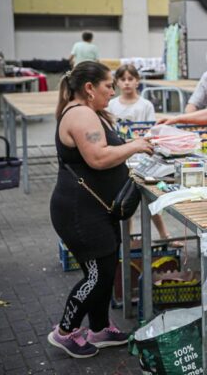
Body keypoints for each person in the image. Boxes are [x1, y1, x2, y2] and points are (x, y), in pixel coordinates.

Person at [49, 61, 153, 358]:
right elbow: (97, 158)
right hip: (80, 213)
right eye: (109, 85)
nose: (114, 89)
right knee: (96, 276)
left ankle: (99, 328)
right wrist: (135, 146)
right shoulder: (80, 114)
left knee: (106, 272)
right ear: (89, 88)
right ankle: (65, 331)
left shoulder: (89, 111)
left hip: (93, 210)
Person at [107, 64, 180, 248]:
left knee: (149, 199)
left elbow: (150, 130)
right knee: (125, 198)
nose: (126, 83)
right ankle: (127, 240)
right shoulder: (112, 105)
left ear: (137, 81)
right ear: (117, 82)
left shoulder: (145, 105)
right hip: (122, 157)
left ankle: (164, 234)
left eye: (130, 79)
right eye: (123, 79)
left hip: (143, 157)